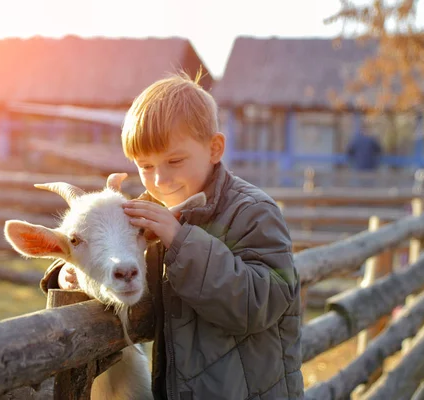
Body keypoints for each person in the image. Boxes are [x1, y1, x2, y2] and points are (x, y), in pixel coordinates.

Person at [40, 71, 304, 399]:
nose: (160, 179)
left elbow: (261, 303)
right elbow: (136, 284)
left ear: (214, 148)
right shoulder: (149, 216)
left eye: (175, 160)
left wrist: (181, 242)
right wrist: (75, 270)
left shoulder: (252, 212)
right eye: (145, 165)